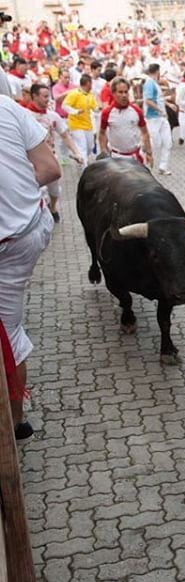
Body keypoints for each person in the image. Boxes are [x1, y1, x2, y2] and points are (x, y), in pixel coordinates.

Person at [0, 94, 60, 443]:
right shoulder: (8, 106)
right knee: (8, 331)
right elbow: (50, 169)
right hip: (24, 234)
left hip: (12, 240)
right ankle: (17, 422)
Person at [26, 83, 83, 222]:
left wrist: (77, 152)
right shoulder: (24, 115)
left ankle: (53, 207)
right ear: (34, 96)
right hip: (29, 162)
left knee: (54, 190)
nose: (48, 100)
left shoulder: (53, 116)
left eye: (49, 96)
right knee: (36, 191)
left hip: (51, 159)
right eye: (45, 96)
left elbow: (65, 135)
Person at [99, 77, 153, 166]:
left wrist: (149, 153)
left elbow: (145, 132)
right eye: (120, 92)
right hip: (116, 159)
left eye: (126, 92)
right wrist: (104, 151)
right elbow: (101, 134)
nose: (124, 95)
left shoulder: (136, 110)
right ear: (113, 93)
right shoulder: (107, 113)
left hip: (135, 158)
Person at [143, 63, 173, 175]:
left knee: (168, 142)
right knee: (155, 143)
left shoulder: (154, 84)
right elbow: (149, 101)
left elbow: (159, 100)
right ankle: (142, 158)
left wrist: (168, 106)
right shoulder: (149, 83)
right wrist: (160, 110)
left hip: (161, 118)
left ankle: (163, 166)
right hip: (152, 118)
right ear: (157, 71)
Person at [62, 73, 98, 165]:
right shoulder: (74, 93)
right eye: (91, 83)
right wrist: (75, 111)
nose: (92, 86)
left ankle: (78, 157)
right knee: (82, 147)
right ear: (87, 83)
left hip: (88, 125)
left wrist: (99, 109)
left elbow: (94, 107)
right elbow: (64, 106)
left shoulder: (90, 95)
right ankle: (84, 169)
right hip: (76, 125)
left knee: (90, 147)